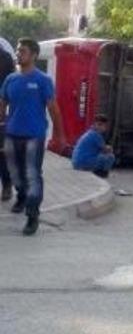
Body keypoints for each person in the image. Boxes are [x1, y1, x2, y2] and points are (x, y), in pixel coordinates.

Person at [0, 38, 67, 236]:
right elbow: (2, 103)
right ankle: (21, 195)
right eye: (18, 51)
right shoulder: (11, 79)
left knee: (32, 174)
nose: (18, 54)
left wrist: (59, 135)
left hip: (34, 136)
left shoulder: (42, 80)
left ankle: (32, 214)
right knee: (13, 172)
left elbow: (54, 109)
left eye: (23, 51)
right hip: (11, 133)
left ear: (34, 55)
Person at [72, 114, 116, 179]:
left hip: (76, 162)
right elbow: (105, 150)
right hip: (83, 163)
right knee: (110, 157)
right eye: (102, 125)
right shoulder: (96, 135)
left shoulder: (89, 133)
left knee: (102, 155)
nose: (103, 128)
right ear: (97, 125)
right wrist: (110, 148)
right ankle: (103, 173)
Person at [0, 42, 15, 202]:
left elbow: (10, 84)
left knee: (2, 152)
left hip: (1, 111)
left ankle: (6, 185)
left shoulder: (4, 56)